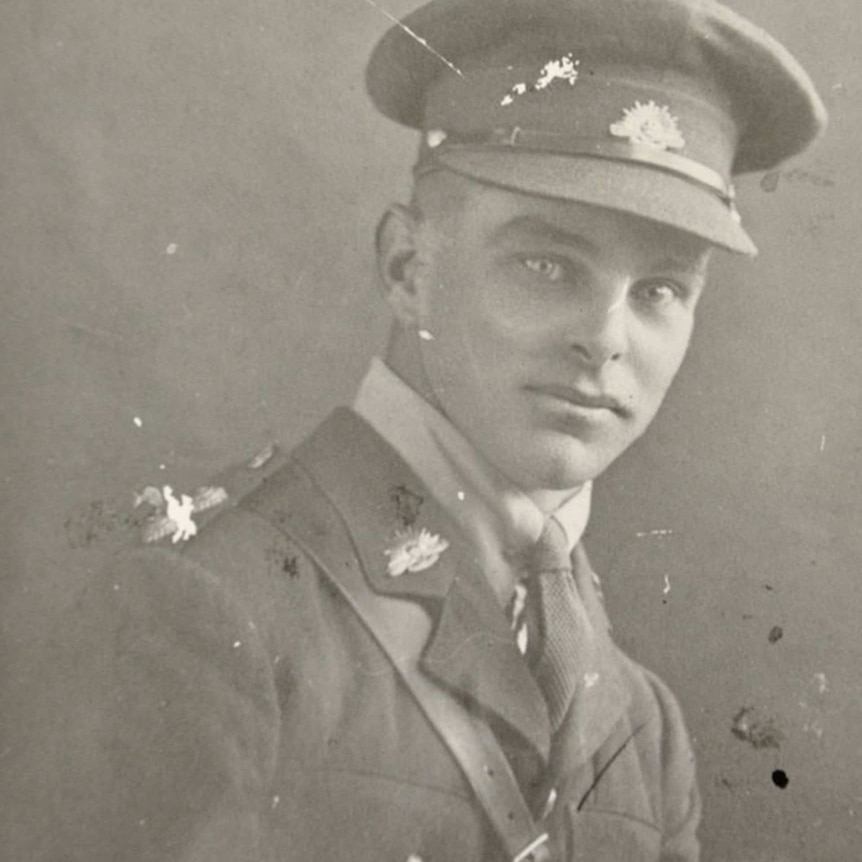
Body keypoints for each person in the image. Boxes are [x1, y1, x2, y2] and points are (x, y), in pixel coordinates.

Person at [0, 0, 826, 860]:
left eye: (659, 291)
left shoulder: (643, 727)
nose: (607, 339)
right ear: (406, 267)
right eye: (546, 264)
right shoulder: (210, 621)